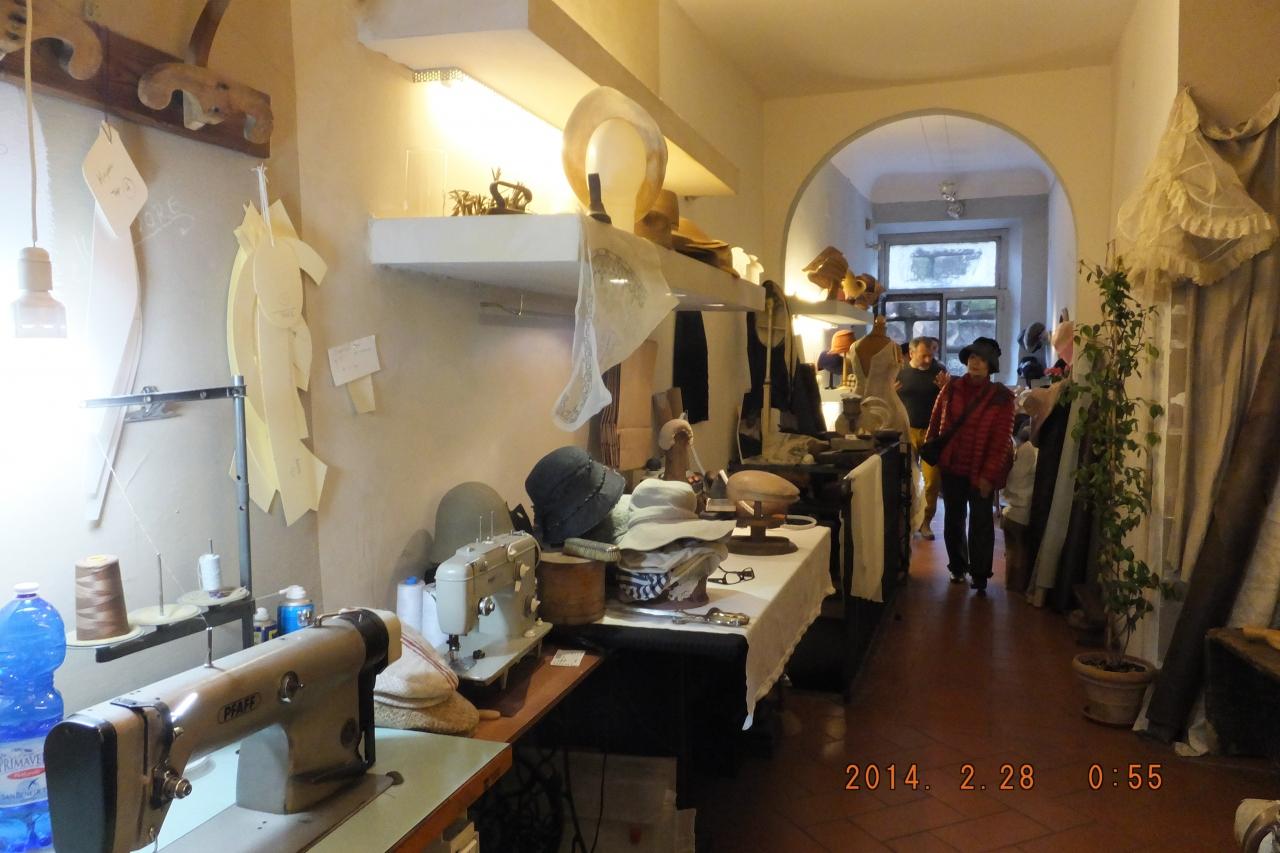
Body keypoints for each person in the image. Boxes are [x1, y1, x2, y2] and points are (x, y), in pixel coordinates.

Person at [926, 336, 1015, 595]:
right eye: (973, 357)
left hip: (981, 471)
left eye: (982, 359)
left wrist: (989, 475)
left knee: (981, 522)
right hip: (952, 466)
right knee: (954, 519)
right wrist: (933, 450)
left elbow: (1001, 442)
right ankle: (957, 566)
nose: (976, 363)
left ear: (990, 365)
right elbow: (935, 421)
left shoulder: (1002, 397)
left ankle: (980, 574)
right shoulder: (951, 388)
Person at [896, 337, 948, 538]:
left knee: (932, 480)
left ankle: (925, 522)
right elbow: (888, 400)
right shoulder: (900, 372)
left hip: (931, 434)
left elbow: (949, 401)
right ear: (911, 353)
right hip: (906, 430)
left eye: (931, 355)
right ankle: (906, 520)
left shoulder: (939, 371)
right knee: (905, 477)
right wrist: (889, 392)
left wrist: (946, 389)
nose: (928, 360)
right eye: (923, 355)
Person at [1001, 424, 1039, 593]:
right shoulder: (1036, 454)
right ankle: (1018, 589)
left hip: (1009, 512)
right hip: (1023, 514)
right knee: (1021, 553)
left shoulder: (1020, 453)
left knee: (1010, 551)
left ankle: (1008, 585)